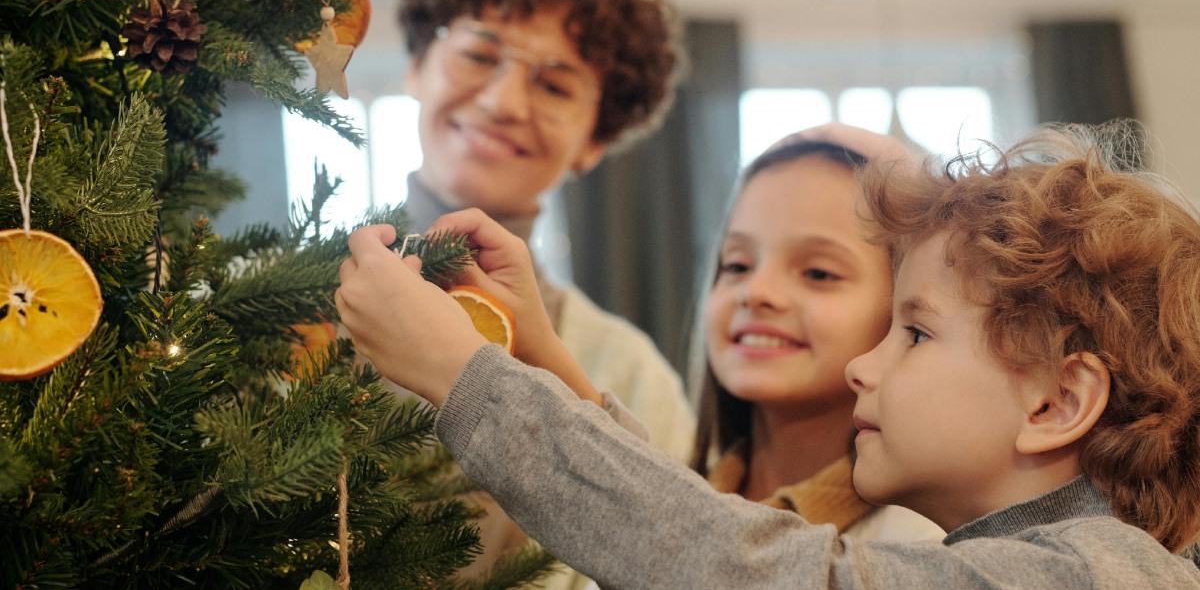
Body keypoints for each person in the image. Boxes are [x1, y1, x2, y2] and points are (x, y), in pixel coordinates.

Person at [338, 122, 1200, 588]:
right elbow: (714, 538)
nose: (869, 364)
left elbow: (750, 571)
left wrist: (467, 377)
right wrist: (540, 363)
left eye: (916, 333)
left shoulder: (1111, 578)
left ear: (1057, 402)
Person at [391, 0, 694, 583]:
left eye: (555, 87)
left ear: (595, 140)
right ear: (418, 65)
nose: (503, 102)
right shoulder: (267, 304)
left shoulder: (631, 376)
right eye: (479, 54)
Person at [690, 124, 942, 541]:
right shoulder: (665, 501)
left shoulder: (922, 551)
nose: (757, 292)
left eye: (818, 273)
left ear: (907, 308)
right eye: (737, 265)